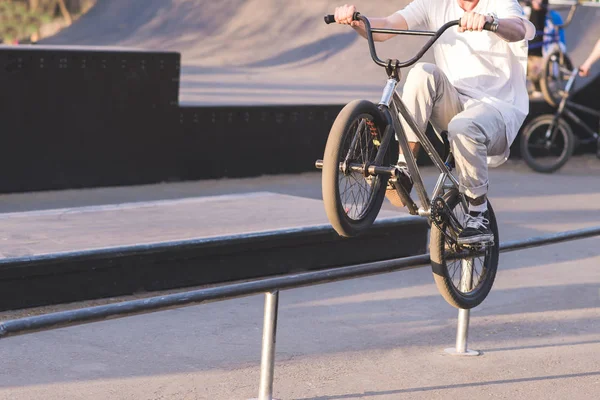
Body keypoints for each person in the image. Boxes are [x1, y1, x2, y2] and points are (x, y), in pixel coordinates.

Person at [334, 0, 535, 245]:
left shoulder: (501, 3)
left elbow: (521, 29)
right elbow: (386, 26)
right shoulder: (436, 3)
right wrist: (357, 21)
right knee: (422, 72)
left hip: (499, 111)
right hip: (455, 103)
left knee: (464, 126)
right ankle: (404, 168)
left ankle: (478, 214)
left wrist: (491, 23)